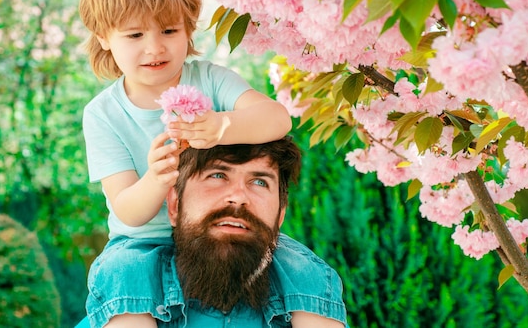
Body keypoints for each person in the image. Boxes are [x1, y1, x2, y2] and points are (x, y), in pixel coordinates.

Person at [78, 0, 307, 327]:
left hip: (221, 235)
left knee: (301, 268)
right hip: (144, 242)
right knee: (122, 276)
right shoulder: (103, 113)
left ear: (189, 27)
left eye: (169, 30)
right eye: (134, 35)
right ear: (103, 36)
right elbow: (126, 211)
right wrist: (156, 179)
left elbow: (277, 118)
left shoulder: (210, 79)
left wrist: (224, 125)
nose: (154, 47)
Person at [74, 139, 348, 327]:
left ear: (281, 215)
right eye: (217, 175)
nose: (238, 198)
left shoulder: (309, 289)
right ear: (174, 204)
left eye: (259, 181)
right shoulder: (125, 291)